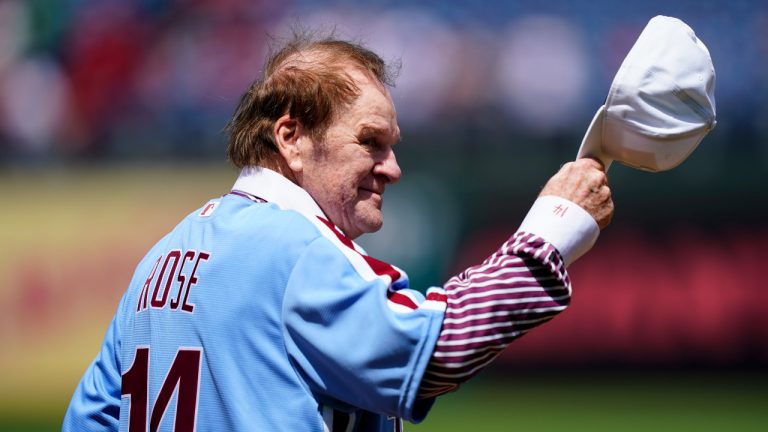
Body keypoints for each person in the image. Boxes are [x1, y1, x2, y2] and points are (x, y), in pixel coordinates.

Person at [63, 32, 613, 432]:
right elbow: (438, 350)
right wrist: (551, 231)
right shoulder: (295, 250)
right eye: (371, 141)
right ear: (291, 138)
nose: (392, 166)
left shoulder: (161, 259)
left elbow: (88, 422)